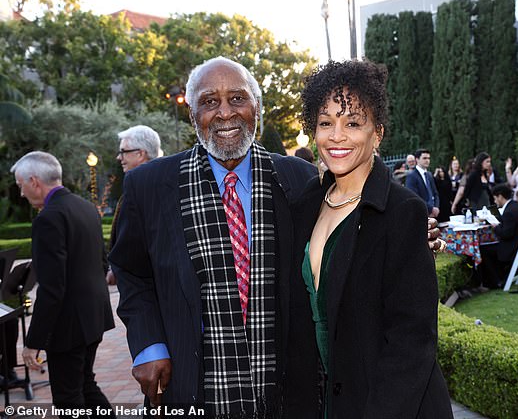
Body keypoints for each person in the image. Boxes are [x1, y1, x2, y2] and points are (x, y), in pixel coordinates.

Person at [108, 57, 319, 416]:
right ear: (193, 114)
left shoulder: (300, 179)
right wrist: (149, 346)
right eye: (209, 101)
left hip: (284, 388)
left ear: (257, 108)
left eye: (237, 99)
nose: (224, 113)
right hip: (190, 385)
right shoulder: (149, 186)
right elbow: (132, 273)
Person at [290, 59, 453, 418]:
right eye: (325, 123)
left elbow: (412, 340)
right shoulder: (306, 203)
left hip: (387, 405)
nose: (336, 136)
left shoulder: (402, 212)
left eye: (352, 123)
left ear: (376, 133)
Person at [11, 151, 115, 418]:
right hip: (94, 317)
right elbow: (102, 264)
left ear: (34, 181)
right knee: (85, 385)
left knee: (69, 397)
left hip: (69, 326)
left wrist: (33, 342)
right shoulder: (85, 208)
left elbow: (52, 288)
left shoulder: (48, 219)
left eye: (21, 185)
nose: (21, 194)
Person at [106, 125, 162, 285]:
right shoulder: (161, 183)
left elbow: (133, 240)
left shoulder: (142, 189)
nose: (119, 157)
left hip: (143, 288)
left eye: (123, 151)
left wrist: (117, 270)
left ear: (140, 153)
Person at [480, 184, 518, 289]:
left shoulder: (509, 212)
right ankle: (497, 277)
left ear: (500, 196)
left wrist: (495, 227)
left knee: (483, 249)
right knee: (488, 248)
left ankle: (495, 280)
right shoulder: (516, 205)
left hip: (512, 248)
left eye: (495, 198)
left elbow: (506, 234)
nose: (495, 201)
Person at [405, 148, 440, 218]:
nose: (427, 160)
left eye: (428, 158)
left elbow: (435, 193)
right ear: (417, 159)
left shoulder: (429, 175)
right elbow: (414, 196)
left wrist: (436, 207)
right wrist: (430, 209)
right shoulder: (412, 176)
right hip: (420, 214)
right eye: (424, 158)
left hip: (433, 214)